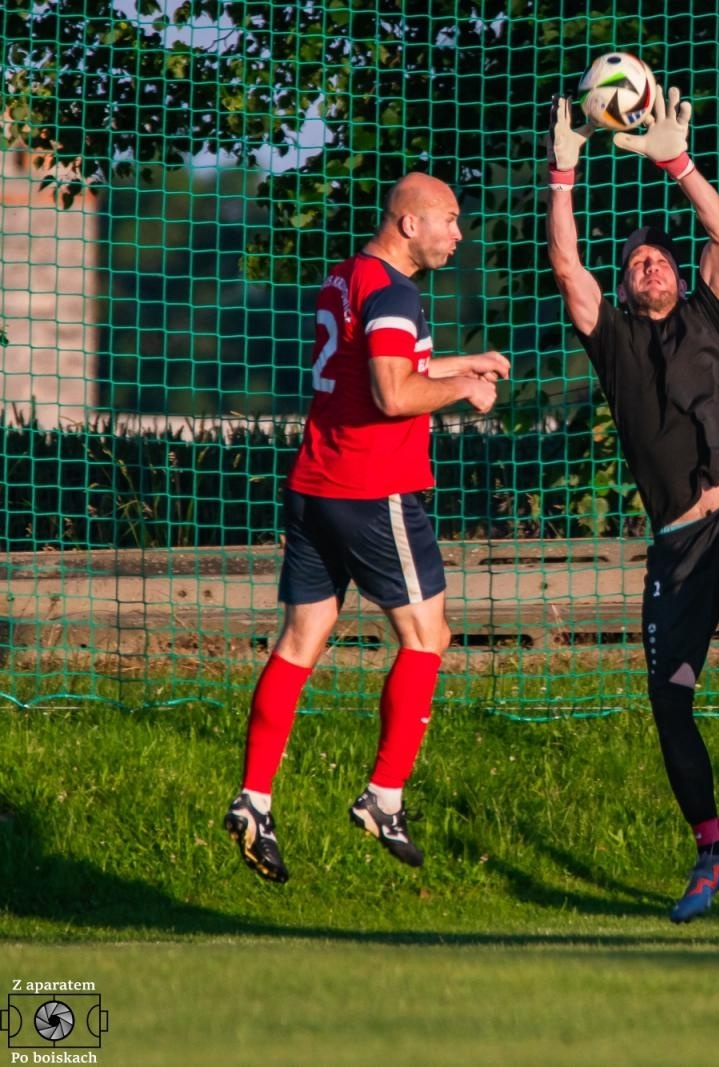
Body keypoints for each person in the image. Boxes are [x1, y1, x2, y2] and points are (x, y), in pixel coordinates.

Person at [546, 83, 719, 922]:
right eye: (635, 264)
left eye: (658, 258)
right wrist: (564, 173)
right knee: (670, 699)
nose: (648, 267)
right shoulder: (614, 339)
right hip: (674, 543)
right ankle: (713, 849)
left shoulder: (712, 311)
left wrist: (677, 163)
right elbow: (566, 266)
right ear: (626, 287)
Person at [224, 173, 509, 883]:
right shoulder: (398, 293)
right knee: (428, 636)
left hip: (317, 483)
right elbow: (392, 393)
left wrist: (460, 361)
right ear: (409, 224)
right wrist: (464, 389)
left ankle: (254, 797)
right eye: (447, 220)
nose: (457, 233)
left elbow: (380, 367)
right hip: (374, 487)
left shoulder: (350, 276)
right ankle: (385, 794)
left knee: (299, 642)